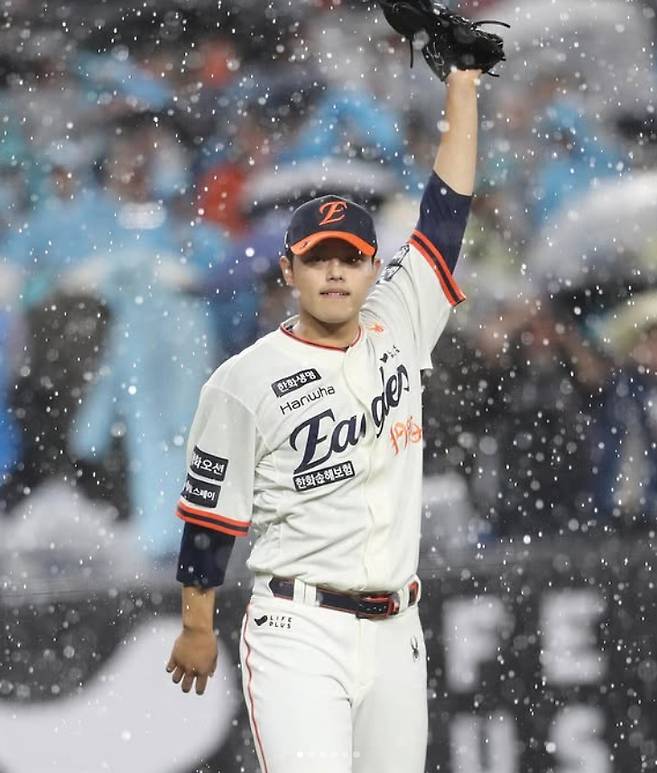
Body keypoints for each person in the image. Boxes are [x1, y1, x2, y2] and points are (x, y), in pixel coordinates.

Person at [166, 68, 480, 773]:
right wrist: (196, 624)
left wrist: (462, 89)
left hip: (397, 626)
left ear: (373, 268)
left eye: (350, 259)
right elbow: (211, 518)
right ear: (290, 271)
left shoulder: (401, 318)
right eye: (318, 259)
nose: (335, 272)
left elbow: (447, 213)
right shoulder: (244, 380)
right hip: (298, 626)